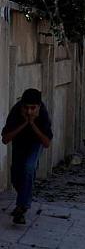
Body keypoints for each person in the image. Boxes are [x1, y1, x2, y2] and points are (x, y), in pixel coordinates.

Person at [2, 88, 53, 224]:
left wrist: (33, 124)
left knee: (29, 167)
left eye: (33, 108)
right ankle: (23, 200)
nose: (29, 111)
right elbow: (5, 139)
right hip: (20, 144)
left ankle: (22, 207)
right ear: (22, 106)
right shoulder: (16, 112)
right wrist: (25, 123)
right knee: (16, 177)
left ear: (39, 106)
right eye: (26, 108)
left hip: (36, 143)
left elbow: (46, 143)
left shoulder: (43, 114)